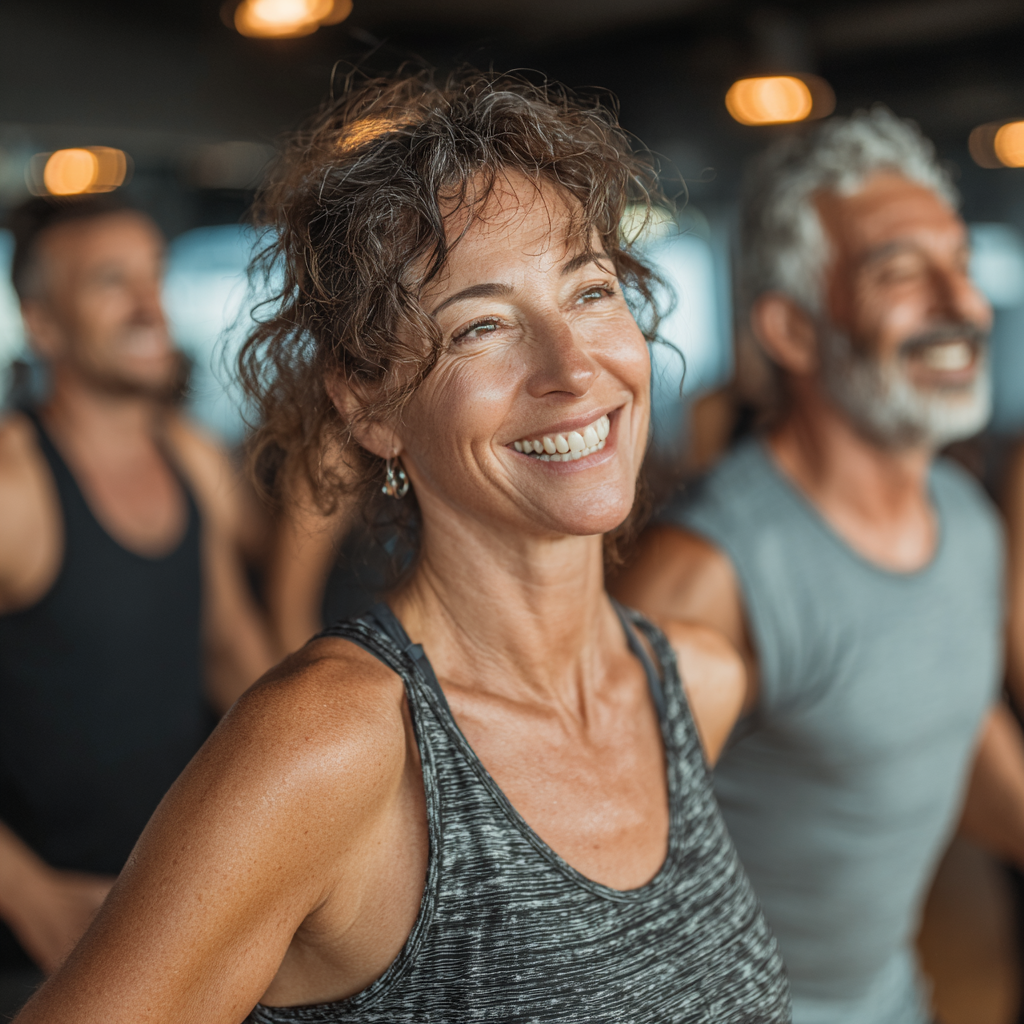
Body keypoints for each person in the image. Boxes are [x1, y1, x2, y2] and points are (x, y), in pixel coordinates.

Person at [13, 71, 791, 1023]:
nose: (574, 367)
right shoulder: (333, 748)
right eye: (485, 325)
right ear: (369, 401)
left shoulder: (695, 687)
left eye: (590, 291)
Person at [614, 108, 1024, 1024]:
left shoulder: (965, 520)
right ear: (792, 331)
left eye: (958, 265)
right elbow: (583, 892)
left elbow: (954, 724)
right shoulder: (708, 576)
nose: (961, 306)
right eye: (898, 275)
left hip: (894, 997)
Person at [0, 196, 275, 1010]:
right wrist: (26, 892)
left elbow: (233, 653)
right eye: (110, 283)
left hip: (173, 919)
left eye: (152, 276)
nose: (148, 305)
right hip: (40, 948)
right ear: (43, 324)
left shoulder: (190, 456)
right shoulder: (15, 482)